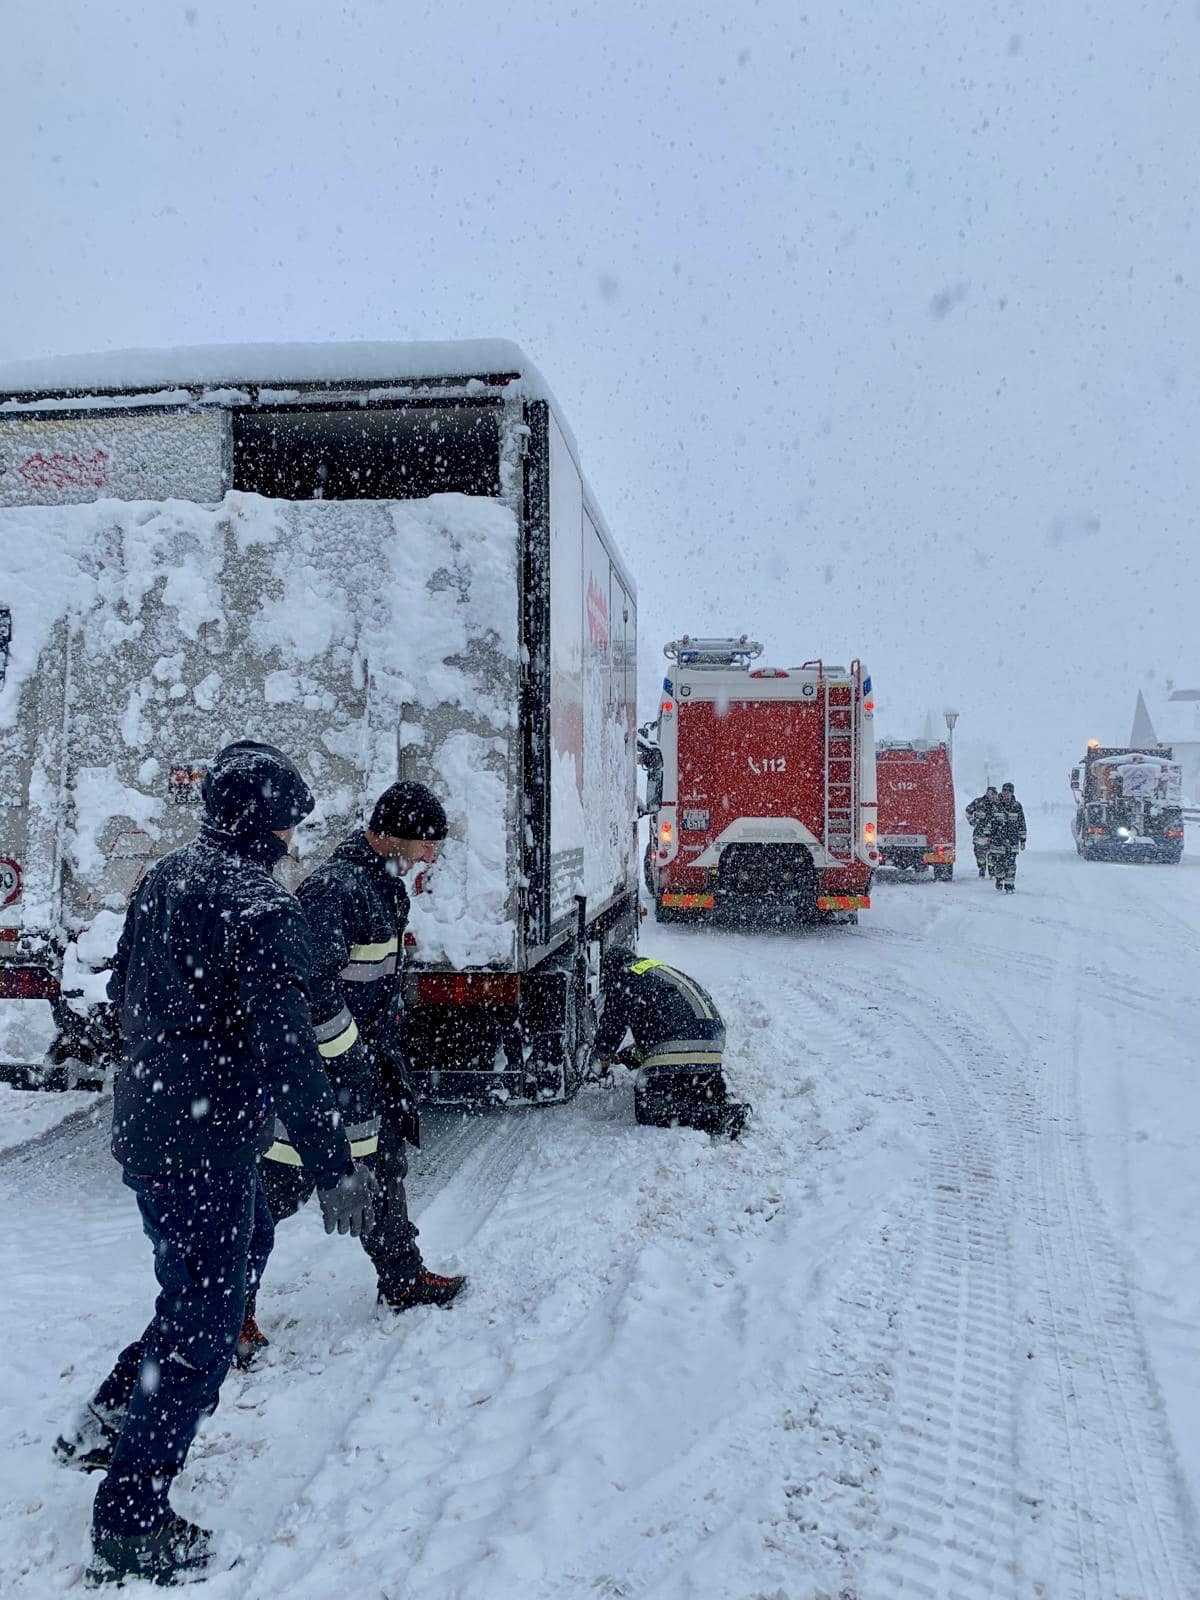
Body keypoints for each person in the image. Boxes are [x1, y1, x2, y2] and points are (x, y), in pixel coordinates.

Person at [53, 741, 377, 1590]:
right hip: (203, 1142)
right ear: (266, 827)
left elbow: (126, 989)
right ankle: (132, 1517)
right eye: (289, 826)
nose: (294, 841)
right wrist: (334, 1160)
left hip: (152, 1121)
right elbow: (290, 1050)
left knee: (206, 1275)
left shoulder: (168, 875)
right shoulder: (258, 907)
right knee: (205, 1324)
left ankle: (111, 1415)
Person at [240, 779, 465, 1354]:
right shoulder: (336, 890)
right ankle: (229, 1310)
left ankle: (403, 1276)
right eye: (425, 843)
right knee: (280, 1185)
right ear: (390, 834)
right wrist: (343, 1059)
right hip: (323, 1078)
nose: (431, 855)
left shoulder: (382, 885)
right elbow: (310, 992)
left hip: (368, 1067)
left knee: (384, 1167)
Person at [591, 946, 749, 1137]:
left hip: (683, 1044)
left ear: (609, 971)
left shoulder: (622, 978)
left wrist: (599, 1063)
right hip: (711, 1040)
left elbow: (611, 1031)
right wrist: (626, 1057)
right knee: (690, 1087)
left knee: (648, 1109)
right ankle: (709, 1096)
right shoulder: (655, 970)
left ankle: (716, 1117)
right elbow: (662, 1030)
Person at [986, 781, 1027, 893]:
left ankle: (1009, 886)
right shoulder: (995, 805)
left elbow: (1021, 824)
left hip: (1012, 841)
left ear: (1012, 793)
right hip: (997, 841)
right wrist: (988, 835)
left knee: (1011, 865)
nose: (1006, 794)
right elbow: (989, 822)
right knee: (999, 864)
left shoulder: (1017, 806)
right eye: (1004, 791)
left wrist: (1023, 840)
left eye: (1008, 791)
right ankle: (999, 879)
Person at [965, 786, 999, 877]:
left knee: (993, 853)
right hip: (979, 833)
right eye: (991, 794)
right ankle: (982, 868)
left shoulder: (998, 804)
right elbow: (968, 811)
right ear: (987, 793)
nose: (993, 796)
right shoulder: (978, 802)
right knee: (980, 853)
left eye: (994, 794)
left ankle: (992, 870)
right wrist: (972, 821)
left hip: (994, 834)